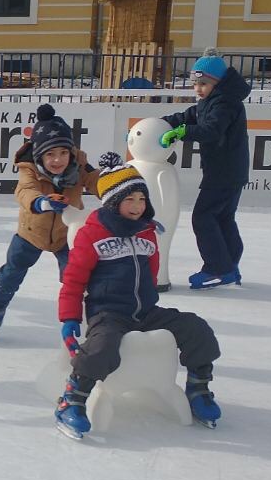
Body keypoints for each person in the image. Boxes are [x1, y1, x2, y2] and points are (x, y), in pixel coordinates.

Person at [54, 162, 222, 439]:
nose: (137, 206)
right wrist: (70, 318)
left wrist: (147, 297)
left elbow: (152, 270)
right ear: (113, 202)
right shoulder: (92, 234)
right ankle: (73, 398)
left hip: (145, 311)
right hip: (108, 312)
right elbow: (73, 280)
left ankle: (198, 387)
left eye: (142, 198)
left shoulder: (146, 231)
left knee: (196, 328)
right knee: (101, 348)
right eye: (129, 199)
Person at [0, 105, 105, 341]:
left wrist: (115, 180)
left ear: (71, 152)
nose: (57, 160)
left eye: (63, 153)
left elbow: (97, 181)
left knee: (76, 278)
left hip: (66, 234)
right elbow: (25, 190)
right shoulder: (29, 168)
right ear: (39, 155)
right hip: (31, 232)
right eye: (50, 154)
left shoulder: (79, 165)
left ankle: (88, 321)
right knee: (10, 274)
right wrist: (42, 203)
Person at [160, 55, 252, 289]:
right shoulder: (212, 101)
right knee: (222, 218)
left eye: (203, 84)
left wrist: (182, 133)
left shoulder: (225, 103)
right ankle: (230, 264)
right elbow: (188, 117)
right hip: (229, 171)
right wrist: (155, 125)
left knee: (203, 217)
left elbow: (211, 130)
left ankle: (218, 268)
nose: (198, 89)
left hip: (224, 172)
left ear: (218, 82)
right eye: (195, 84)